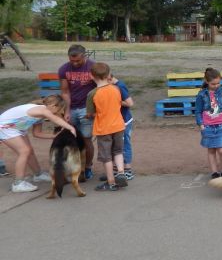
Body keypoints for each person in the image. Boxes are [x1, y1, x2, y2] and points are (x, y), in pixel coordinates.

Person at [0, 96, 72, 193]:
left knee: (29, 151)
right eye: (60, 109)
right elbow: (55, 119)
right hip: (5, 126)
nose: (60, 112)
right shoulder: (42, 109)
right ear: (53, 106)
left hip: (17, 128)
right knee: (24, 151)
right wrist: (70, 127)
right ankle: (18, 184)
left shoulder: (41, 115)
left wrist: (54, 136)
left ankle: (38, 175)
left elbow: (37, 133)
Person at [87, 73, 135, 182]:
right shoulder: (112, 87)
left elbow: (130, 103)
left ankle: (127, 170)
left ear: (108, 78)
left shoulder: (119, 86)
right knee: (115, 147)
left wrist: (115, 101)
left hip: (124, 121)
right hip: (115, 121)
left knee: (123, 145)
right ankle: (115, 172)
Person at [58, 44, 96, 179]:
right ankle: (74, 167)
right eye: (71, 60)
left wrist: (93, 109)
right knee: (72, 140)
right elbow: (65, 91)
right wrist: (67, 111)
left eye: (78, 60)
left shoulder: (93, 67)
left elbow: (100, 88)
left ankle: (88, 167)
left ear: (84, 56)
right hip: (72, 108)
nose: (74, 63)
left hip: (87, 108)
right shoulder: (64, 69)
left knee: (86, 139)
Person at [196, 67, 222, 180]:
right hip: (207, 126)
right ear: (207, 81)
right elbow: (198, 111)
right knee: (211, 150)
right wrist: (201, 125)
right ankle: (214, 172)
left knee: (221, 150)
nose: (216, 86)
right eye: (213, 84)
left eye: (218, 83)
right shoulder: (201, 94)